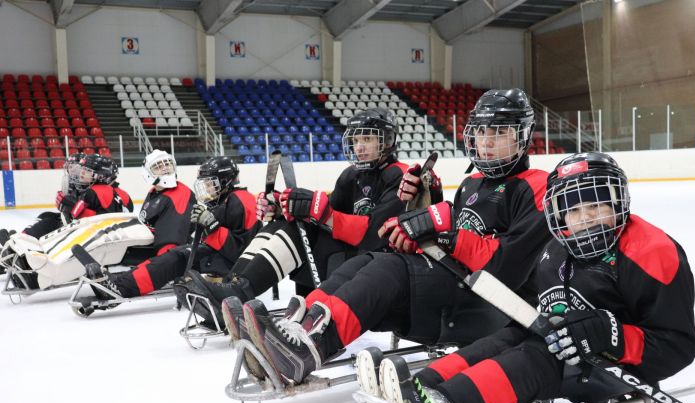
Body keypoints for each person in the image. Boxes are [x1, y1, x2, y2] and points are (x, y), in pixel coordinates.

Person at [364, 152, 695, 403]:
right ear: (557, 214)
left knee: (536, 356)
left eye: (597, 205)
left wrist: (610, 334)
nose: (586, 218)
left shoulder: (652, 252)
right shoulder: (555, 250)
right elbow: (540, 313)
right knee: (506, 339)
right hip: (566, 352)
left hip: (613, 368)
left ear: (619, 201)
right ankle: (420, 387)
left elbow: (677, 346)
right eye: (574, 209)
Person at [238, 88, 551, 387]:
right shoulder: (472, 183)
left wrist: (441, 233)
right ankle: (296, 328)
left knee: (387, 270)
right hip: (453, 282)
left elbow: (506, 267)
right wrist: (422, 214)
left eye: (499, 132)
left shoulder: (536, 186)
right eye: (481, 132)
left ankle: (309, 348)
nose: (487, 142)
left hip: (485, 303)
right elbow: (457, 231)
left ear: (522, 135)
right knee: (367, 262)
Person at [177, 107, 423, 324]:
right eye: (356, 139)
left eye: (367, 139)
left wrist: (320, 214)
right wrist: (283, 208)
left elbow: (374, 235)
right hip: (352, 253)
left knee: (299, 231)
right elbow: (327, 214)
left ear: (388, 141)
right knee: (279, 225)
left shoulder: (400, 176)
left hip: (378, 262)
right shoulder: (351, 175)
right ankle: (233, 286)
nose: (358, 147)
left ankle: (238, 294)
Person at [0, 153, 132, 283]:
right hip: (115, 242)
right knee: (49, 220)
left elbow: (92, 220)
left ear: (101, 176)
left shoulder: (93, 191)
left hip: (94, 240)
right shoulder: (122, 194)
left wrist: (70, 207)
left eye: (86, 172)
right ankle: (19, 249)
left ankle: (22, 254)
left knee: (49, 223)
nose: (80, 175)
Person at [83, 149, 196, 299]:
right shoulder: (154, 192)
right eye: (158, 166)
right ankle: (111, 277)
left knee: (161, 262)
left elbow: (172, 242)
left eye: (168, 164)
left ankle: (120, 287)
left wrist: (162, 267)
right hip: (156, 245)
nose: (166, 168)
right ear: (148, 173)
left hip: (174, 253)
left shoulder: (180, 193)